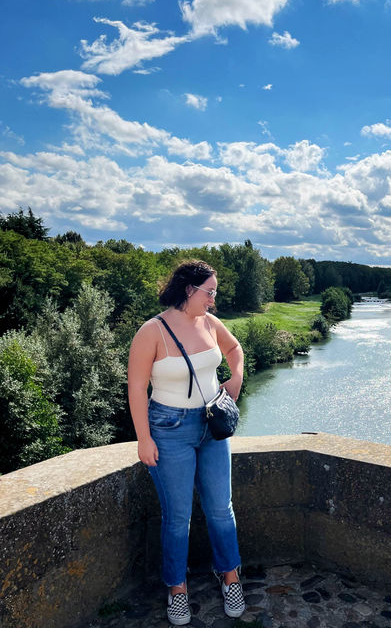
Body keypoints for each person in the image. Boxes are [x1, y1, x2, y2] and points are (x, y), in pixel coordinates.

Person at [128, 260, 245, 626]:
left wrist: (236, 380)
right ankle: (176, 589)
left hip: (212, 427)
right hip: (169, 429)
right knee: (178, 517)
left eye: (214, 291)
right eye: (209, 291)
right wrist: (143, 439)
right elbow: (135, 388)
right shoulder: (152, 331)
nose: (214, 299)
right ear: (188, 289)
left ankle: (230, 576)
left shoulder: (210, 323)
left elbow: (235, 349)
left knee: (220, 508)